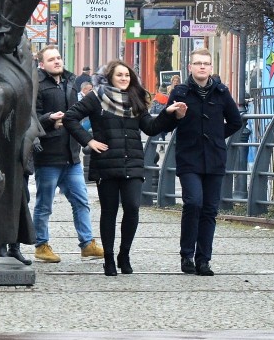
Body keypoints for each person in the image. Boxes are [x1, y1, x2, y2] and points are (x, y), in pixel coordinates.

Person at [63, 60, 185, 276]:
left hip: (133, 162)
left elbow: (150, 127)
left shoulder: (135, 99)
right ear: (110, 77)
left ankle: (124, 254)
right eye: (120, 75)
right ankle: (108, 258)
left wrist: (171, 114)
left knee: (132, 207)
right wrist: (88, 141)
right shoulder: (96, 97)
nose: (124, 79)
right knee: (109, 212)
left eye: (127, 75)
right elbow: (70, 118)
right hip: (106, 163)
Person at [167, 49, 242, 276]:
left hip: (215, 158)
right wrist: (174, 115)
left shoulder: (221, 92)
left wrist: (218, 135)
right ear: (190, 67)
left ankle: (204, 260)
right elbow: (166, 121)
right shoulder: (180, 91)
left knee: (209, 209)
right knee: (193, 203)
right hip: (189, 157)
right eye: (198, 63)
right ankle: (186, 254)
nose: (202, 67)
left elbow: (235, 121)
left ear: (211, 68)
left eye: (206, 64)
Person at [32, 46, 104, 263]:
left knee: (81, 201)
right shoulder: (36, 84)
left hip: (72, 154)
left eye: (59, 58)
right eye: (51, 59)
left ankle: (87, 244)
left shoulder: (71, 81)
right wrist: (49, 119)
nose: (57, 62)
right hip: (47, 155)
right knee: (44, 204)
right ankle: (41, 245)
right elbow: (32, 116)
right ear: (42, 64)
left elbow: (80, 111)